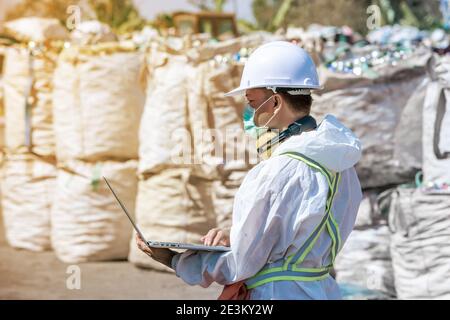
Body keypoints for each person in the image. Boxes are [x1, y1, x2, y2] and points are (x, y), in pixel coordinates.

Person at [136, 41, 363, 300]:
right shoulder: (339, 164)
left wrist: (174, 259)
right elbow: (292, 237)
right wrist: (235, 236)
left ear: (276, 102)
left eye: (252, 103)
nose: (249, 115)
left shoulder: (280, 170)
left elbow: (240, 264)